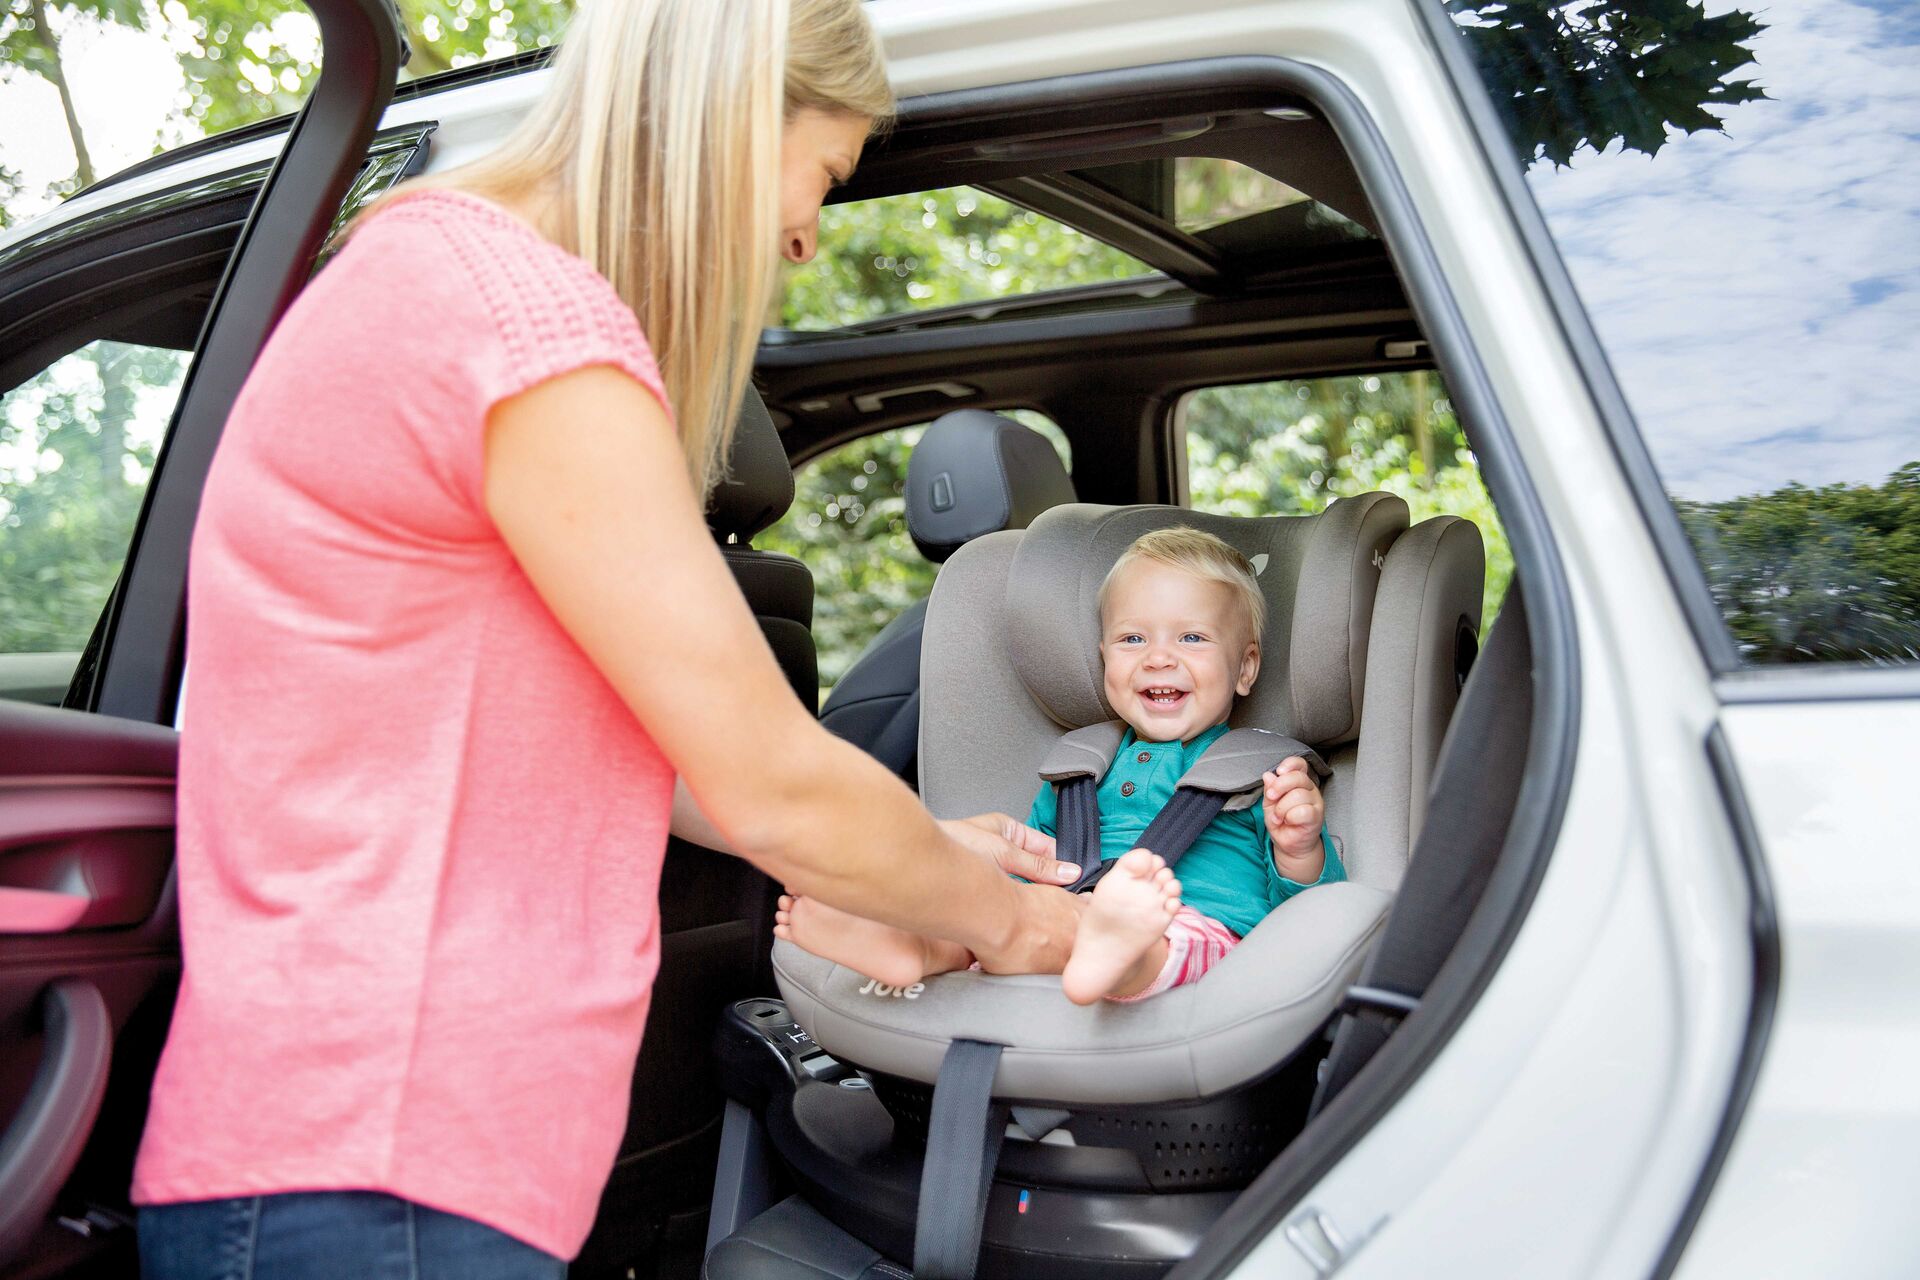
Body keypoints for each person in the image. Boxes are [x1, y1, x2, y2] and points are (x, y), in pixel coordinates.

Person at [130, 2, 1083, 1276]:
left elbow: (647, 760)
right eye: (824, 174)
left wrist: (912, 862)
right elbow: (772, 779)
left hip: (368, 1152)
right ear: (735, 117)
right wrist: (1031, 930)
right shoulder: (524, 328)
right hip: (381, 1156)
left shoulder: (438, 288)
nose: (807, 234)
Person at [776, 527, 1346, 1005]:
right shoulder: (1078, 769)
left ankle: (1116, 950)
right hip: (1066, 917)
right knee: (992, 915)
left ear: (1246, 668)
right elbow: (1035, 872)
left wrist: (1299, 849)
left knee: (1143, 938)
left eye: (1192, 637)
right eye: (1132, 638)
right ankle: (915, 946)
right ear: (1103, 658)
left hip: (1190, 932)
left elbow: (1311, 915)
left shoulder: (1264, 774)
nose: (1158, 657)